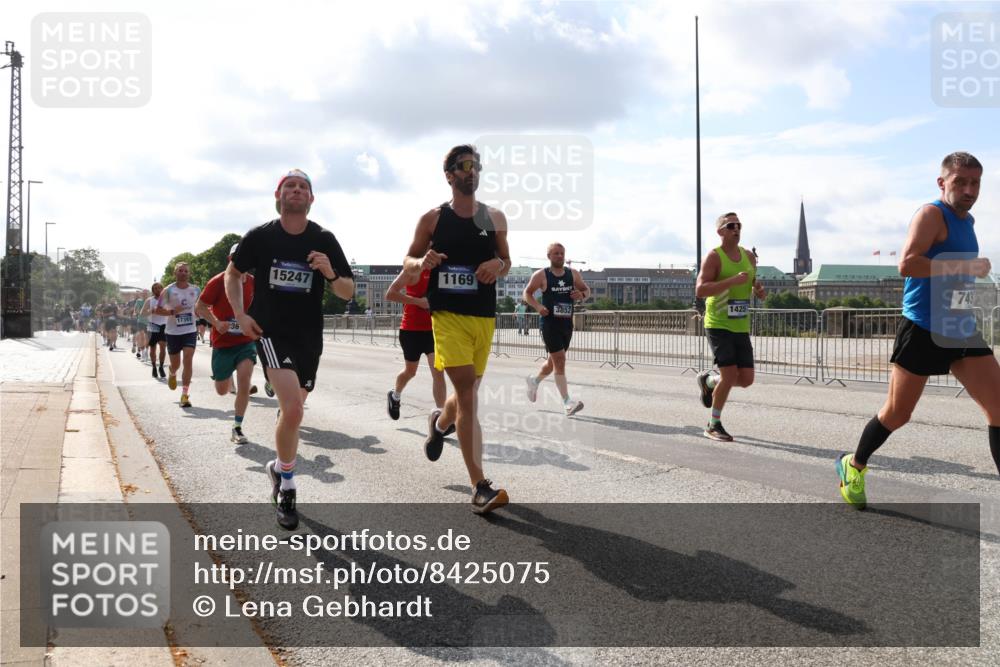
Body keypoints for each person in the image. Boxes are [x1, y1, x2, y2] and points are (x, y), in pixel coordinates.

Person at [836, 152, 999, 509]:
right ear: (942, 183)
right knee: (897, 413)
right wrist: (967, 264)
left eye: (975, 183)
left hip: (960, 324)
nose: (969, 190)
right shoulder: (931, 214)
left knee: (999, 408)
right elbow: (907, 264)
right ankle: (854, 465)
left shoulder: (968, 221)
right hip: (923, 327)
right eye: (961, 182)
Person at [227, 169, 354, 530]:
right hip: (271, 332)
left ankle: (276, 467)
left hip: (308, 337)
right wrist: (240, 314)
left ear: (311, 199)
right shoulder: (261, 237)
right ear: (278, 196)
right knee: (294, 410)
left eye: (303, 187)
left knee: (292, 412)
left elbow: (347, 291)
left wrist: (330, 273)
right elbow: (232, 274)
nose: (297, 190)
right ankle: (287, 485)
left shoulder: (324, 238)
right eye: (290, 186)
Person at [404, 144, 511, 515]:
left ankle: (439, 423)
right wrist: (422, 260)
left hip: (483, 316)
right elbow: (409, 258)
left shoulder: (494, 217)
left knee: (466, 392)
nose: (472, 171)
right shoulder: (433, 219)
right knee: (468, 393)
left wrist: (497, 265)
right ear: (449, 175)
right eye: (464, 166)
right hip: (446, 315)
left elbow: (507, 260)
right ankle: (479, 486)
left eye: (476, 165)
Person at [694, 212, 766, 442]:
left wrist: (758, 290)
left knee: (746, 379)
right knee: (729, 373)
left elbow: (752, 280)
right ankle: (713, 424)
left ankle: (708, 382)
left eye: (739, 225)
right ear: (721, 231)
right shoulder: (714, 257)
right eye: (731, 225)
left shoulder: (748, 257)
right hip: (718, 323)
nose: (736, 229)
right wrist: (731, 282)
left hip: (740, 325)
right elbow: (701, 289)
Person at [197, 244, 259, 444]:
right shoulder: (217, 281)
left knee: (244, 381)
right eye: (235, 257)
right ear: (229, 259)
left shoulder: (254, 283)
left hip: (245, 342)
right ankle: (226, 377)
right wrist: (215, 322)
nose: (239, 261)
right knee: (221, 390)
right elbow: (200, 306)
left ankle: (237, 427)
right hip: (223, 343)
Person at [522, 242, 589, 416]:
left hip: (566, 324)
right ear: (549, 256)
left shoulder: (572, 274)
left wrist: (581, 295)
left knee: (552, 363)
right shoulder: (541, 275)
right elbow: (527, 293)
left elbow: (586, 290)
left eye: (562, 253)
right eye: (556, 253)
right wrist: (538, 307)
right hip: (549, 324)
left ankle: (534, 381)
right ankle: (567, 402)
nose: (560, 256)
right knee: (560, 361)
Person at [384, 268, 448, 421]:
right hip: (411, 330)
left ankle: (441, 417)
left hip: (433, 330)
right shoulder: (412, 270)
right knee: (410, 372)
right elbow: (390, 294)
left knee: (438, 372)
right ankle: (395, 395)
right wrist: (418, 302)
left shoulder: (442, 271)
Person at [154, 262, 201, 408]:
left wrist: (200, 313)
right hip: (173, 332)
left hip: (190, 330)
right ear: (175, 273)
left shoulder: (196, 290)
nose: (183, 273)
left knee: (188, 358)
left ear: (189, 273)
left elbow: (201, 306)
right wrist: (173, 312)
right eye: (180, 271)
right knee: (176, 364)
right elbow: (157, 309)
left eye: (186, 271)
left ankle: (185, 394)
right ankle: (172, 372)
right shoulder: (168, 291)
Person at [143, 283, 168, 378]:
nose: (158, 290)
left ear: (162, 289)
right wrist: (151, 311)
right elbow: (142, 313)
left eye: (159, 288)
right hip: (153, 325)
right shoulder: (149, 300)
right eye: (155, 288)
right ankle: (154, 367)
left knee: (163, 347)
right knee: (153, 348)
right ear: (153, 290)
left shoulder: (166, 300)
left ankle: (161, 367)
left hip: (164, 326)